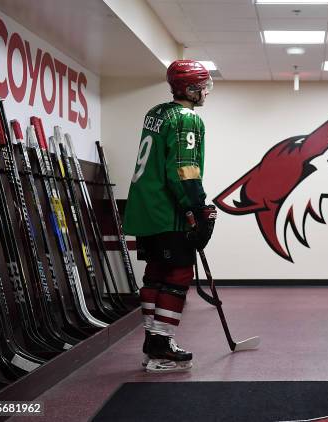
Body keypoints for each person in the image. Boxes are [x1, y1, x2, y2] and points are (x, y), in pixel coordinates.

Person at [123, 60, 216, 373]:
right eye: (202, 85)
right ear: (190, 89)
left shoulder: (157, 112)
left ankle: (153, 342)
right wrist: (197, 208)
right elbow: (183, 170)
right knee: (177, 274)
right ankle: (162, 348)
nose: (206, 91)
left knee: (155, 273)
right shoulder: (187, 119)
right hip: (168, 210)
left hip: (144, 207)